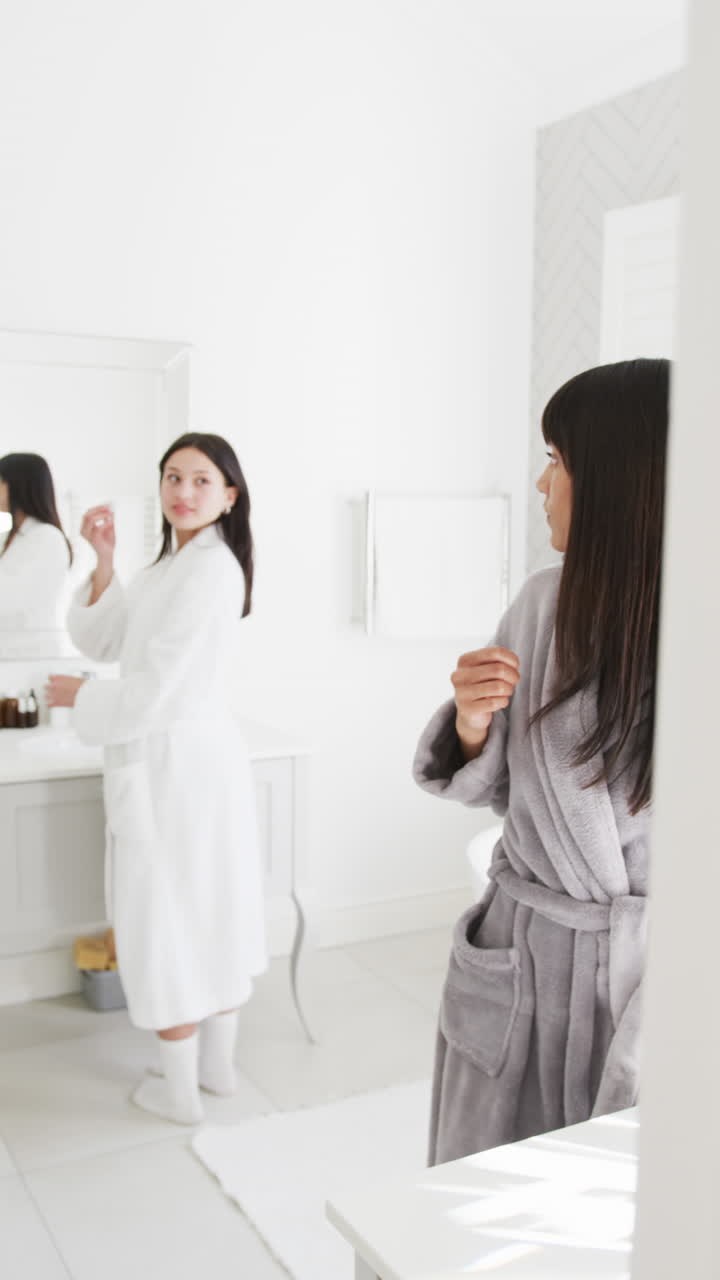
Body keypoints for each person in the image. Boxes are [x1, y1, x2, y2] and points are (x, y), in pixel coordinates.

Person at [413, 358, 669, 1166]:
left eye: (556, 461)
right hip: (523, 953)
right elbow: (499, 788)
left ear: (620, 478)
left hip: (648, 978)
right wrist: (472, 721)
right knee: (482, 1198)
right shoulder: (541, 604)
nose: (540, 483)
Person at [46, 432, 266, 1125]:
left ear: (230, 494)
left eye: (201, 480)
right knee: (212, 907)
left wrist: (76, 697)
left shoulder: (208, 572)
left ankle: (179, 1097)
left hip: (173, 766)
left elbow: (156, 690)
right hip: (194, 765)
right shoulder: (174, 565)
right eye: (172, 477)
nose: (182, 491)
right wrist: (104, 560)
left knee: (164, 915)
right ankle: (218, 1074)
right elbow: (101, 638)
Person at [0, 452, 72, 630]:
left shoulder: (47, 538)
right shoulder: (8, 538)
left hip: (31, 651)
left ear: (19, 486)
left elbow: (17, 597)